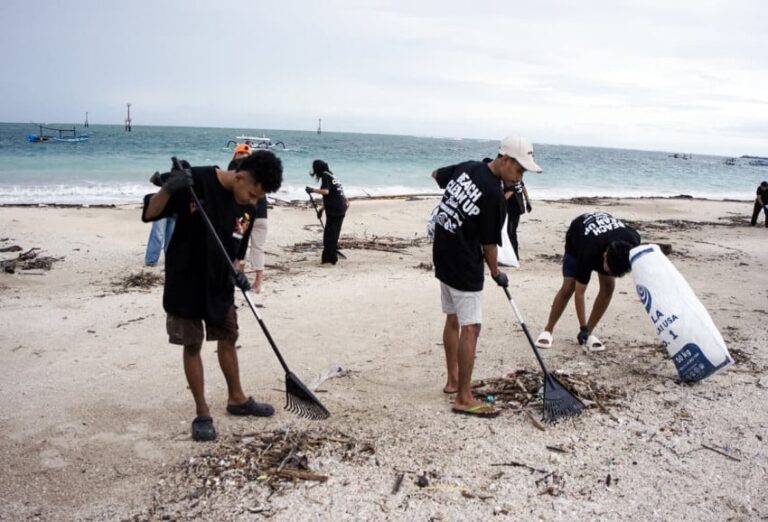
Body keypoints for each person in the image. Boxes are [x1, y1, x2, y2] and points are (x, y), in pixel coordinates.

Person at [141, 151, 284, 442]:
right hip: (185, 282)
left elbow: (235, 251)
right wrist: (170, 187)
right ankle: (202, 411)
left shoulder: (249, 209)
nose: (254, 202)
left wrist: (237, 273)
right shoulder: (196, 181)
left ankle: (237, 399)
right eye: (253, 194)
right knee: (192, 345)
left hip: (219, 284)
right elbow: (150, 213)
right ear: (240, 176)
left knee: (228, 337)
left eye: (260, 198)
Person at [432, 135, 543, 418]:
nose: (519, 179)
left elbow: (437, 175)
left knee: (453, 318)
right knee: (472, 327)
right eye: (519, 170)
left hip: (443, 254)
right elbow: (490, 245)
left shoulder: (469, 166)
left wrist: (458, 201)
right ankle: (464, 398)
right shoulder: (495, 196)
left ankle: (453, 381)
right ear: (505, 159)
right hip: (464, 264)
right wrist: (496, 273)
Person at [535, 211, 641, 352]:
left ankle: (589, 333)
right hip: (578, 236)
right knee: (568, 288)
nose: (609, 274)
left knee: (609, 287)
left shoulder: (633, 241)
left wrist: (587, 331)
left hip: (608, 239)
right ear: (604, 256)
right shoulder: (588, 252)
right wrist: (582, 327)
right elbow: (580, 293)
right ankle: (548, 329)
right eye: (609, 270)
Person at [229, 144, 269, 293]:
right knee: (258, 247)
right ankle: (259, 283)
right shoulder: (259, 169)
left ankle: (240, 276)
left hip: (244, 214)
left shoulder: (234, 167)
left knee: (239, 245)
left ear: (235, 155)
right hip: (262, 214)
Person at [144, 164, 189, 267]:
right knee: (158, 234)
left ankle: (170, 259)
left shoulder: (188, 182)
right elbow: (152, 180)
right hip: (161, 211)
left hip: (174, 213)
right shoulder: (168, 177)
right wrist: (155, 176)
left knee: (171, 237)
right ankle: (151, 260)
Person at [305, 160, 348, 264]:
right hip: (341, 206)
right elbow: (334, 194)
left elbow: (326, 191)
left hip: (335, 209)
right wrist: (322, 209)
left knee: (329, 236)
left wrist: (312, 190)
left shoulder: (325, 175)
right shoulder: (332, 175)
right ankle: (332, 257)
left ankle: (329, 260)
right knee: (333, 234)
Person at [503, 179, 532, 258]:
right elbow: (523, 188)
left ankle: (514, 255)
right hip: (518, 208)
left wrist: (495, 203)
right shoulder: (517, 178)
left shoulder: (510, 181)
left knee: (511, 232)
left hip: (513, 210)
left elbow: (509, 194)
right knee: (512, 232)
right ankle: (513, 254)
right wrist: (527, 201)